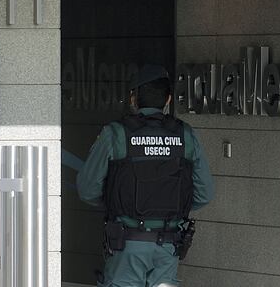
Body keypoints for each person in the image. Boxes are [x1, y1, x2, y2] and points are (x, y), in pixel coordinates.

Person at [77, 64, 214, 287]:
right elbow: (204, 194)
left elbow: (87, 189)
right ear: (168, 100)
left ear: (133, 99)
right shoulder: (186, 135)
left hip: (127, 243)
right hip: (169, 244)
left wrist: (118, 203)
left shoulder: (116, 134)